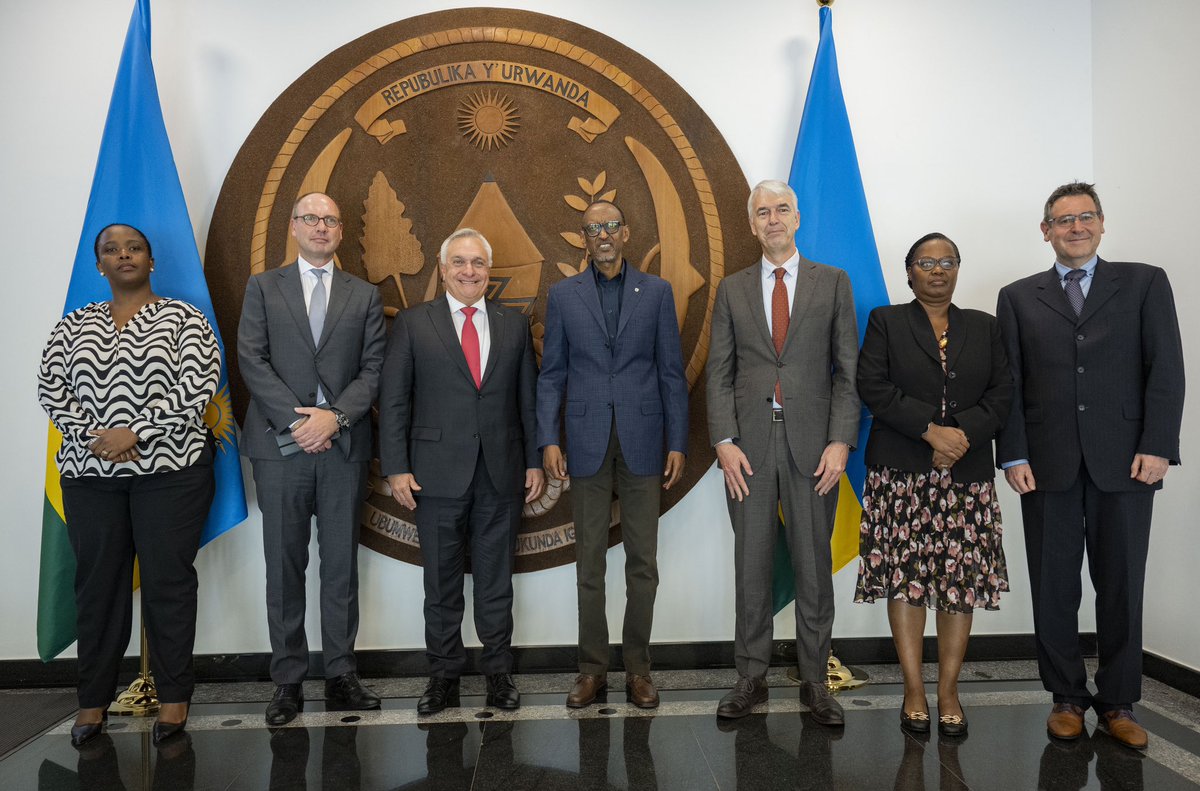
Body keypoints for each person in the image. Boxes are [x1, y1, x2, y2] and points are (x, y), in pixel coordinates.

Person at [996, 182, 1184, 751]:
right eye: (1062, 220)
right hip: (1046, 465)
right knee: (1054, 586)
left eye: (1085, 218)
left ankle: (1120, 701)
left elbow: (1167, 370)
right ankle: (1067, 700)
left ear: (1102, 224)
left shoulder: (1146, 282)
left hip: (1127, 463)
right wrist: (1014, 452)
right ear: (1045, 230)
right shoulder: (1018, 296)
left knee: (1121, 584)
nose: (1074, 228)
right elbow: (1010, 383)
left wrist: (1158, 444)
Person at [38, 224, 220, 747]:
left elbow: (198, 385)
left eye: (134, 248)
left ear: (151, 259)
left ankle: (174, 698)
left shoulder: (184, 320)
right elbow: (52, 387)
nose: (124, 256)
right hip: (91, 477)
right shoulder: (74, 325)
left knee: (168, 583)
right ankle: (92, 702)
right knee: (97, 588)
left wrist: (134, 432)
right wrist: (96, 437)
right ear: (99, 264)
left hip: (172, 475)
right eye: (112, 250)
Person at [706, 179, 859, 723]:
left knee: (813, 565)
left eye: (782, 210)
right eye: (763, 211)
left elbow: (847, 371)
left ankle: (816, 682)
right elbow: (719, 373)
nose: (773, 219)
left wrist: (841, 442)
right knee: (751, 565)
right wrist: (723, 442)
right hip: (747, 447)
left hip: (815, 447)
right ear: (752, 224)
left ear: (798, 219)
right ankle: (751, 678)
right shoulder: (733, 289)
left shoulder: (833, 283)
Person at [853, 232, 1013, 737]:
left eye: (947, 261)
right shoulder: (886, 322)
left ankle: (948, 690)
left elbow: (1003, 391)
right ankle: (913, 690)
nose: (937, 270)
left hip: (964, 477)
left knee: (958, 582)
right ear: (909, 272)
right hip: (901, 475)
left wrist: (961, 438)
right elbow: (873, 386)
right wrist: (930, 430)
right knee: (906, 579)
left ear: (958, 269)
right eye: (926, 261)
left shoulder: (985, 327)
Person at [378, 228, 544, 714]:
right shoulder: (413, 323)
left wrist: (534, 458)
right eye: (459, 262)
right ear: (443, 267)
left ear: (488, 272)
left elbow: (527, 399)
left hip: (501, 474)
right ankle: (443, 677)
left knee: (496, 583)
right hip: (434, 475)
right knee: (441, 585)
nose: (469, 271)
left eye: (477, 263)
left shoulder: (513, 324)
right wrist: (396, 468)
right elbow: (394, 401)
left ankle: (498, 674)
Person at [238, 192, 386, 726]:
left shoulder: (365, 295)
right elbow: (250, 359)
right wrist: (300, 423)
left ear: (340, 231)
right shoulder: (262, 287)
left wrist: (335, 418)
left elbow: (373, 369)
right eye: (311, 219)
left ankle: (342, 673)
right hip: (281, 448)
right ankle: (288, 680)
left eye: (330, 219)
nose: (321, 227)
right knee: (284, 563)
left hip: (343, 447)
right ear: (294, 227)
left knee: (341, 565)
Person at [537, 200, 688, 709]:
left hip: (645, 440)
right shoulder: (563, 295)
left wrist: (677, 441)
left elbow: (671, 372)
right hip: (584, 440)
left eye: (610, 226)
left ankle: (639, 671)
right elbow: (551, 373)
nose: (602, 234)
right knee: (590, 564)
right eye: (592, 228)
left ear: (626, 233)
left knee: (643, 561)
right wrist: (549, 439)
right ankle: (591, 670)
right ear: (583, 237)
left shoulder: (657, 292)